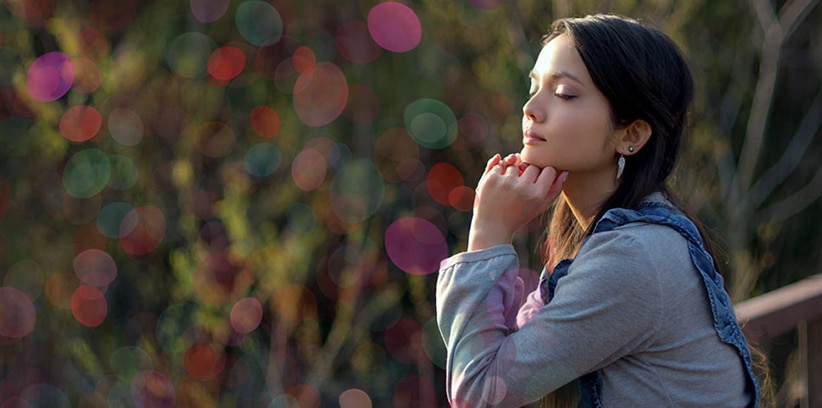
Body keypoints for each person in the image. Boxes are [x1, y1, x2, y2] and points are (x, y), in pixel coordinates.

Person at [435, 14, 761, 407]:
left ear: (631, 135)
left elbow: (479, 392)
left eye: (565, 94)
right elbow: (518, 356)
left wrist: (488, 233)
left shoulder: (634, 257)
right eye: (533, 87)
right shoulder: (596, 239)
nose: (531, 109)